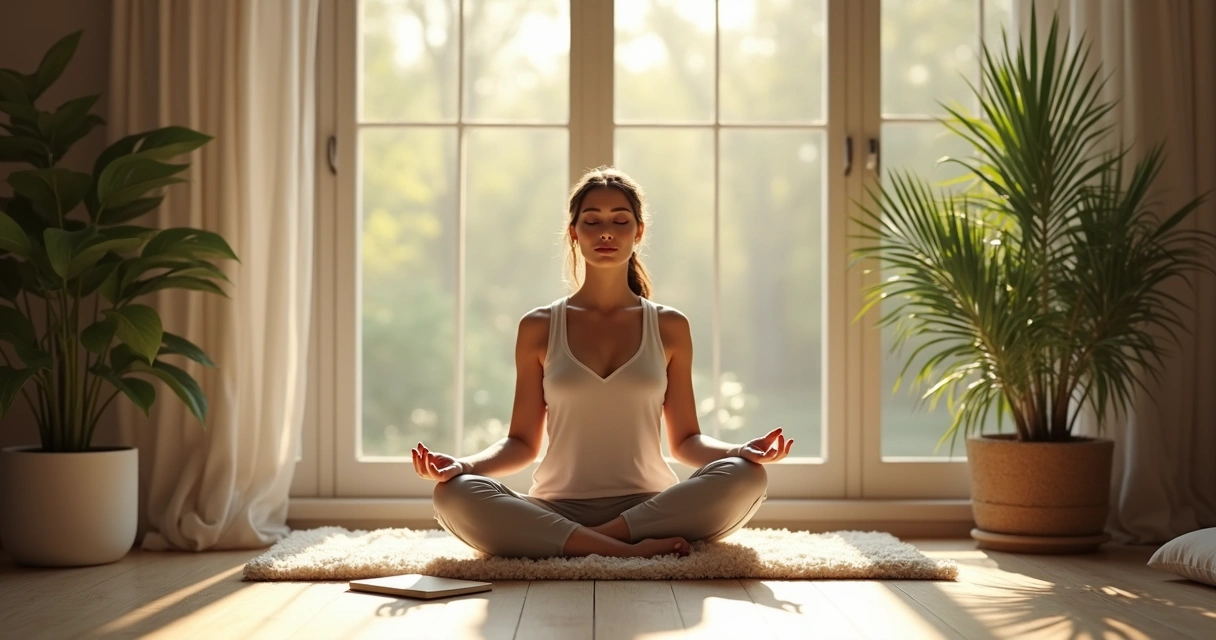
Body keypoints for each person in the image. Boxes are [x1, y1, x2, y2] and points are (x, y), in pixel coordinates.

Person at [412, 166, 794, 560]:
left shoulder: (669, 326)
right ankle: (624, 550)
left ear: (639, 232)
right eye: (592, 221)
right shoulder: (539, 326)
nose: (606, 232)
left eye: (620, 221)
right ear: (574, 233)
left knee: (747, 475)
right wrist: (462, 465)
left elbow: (685, 442)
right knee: (453, 494)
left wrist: (739, 450)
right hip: (556, 508)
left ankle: (583, 542)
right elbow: (522, 443)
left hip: (648, 508)